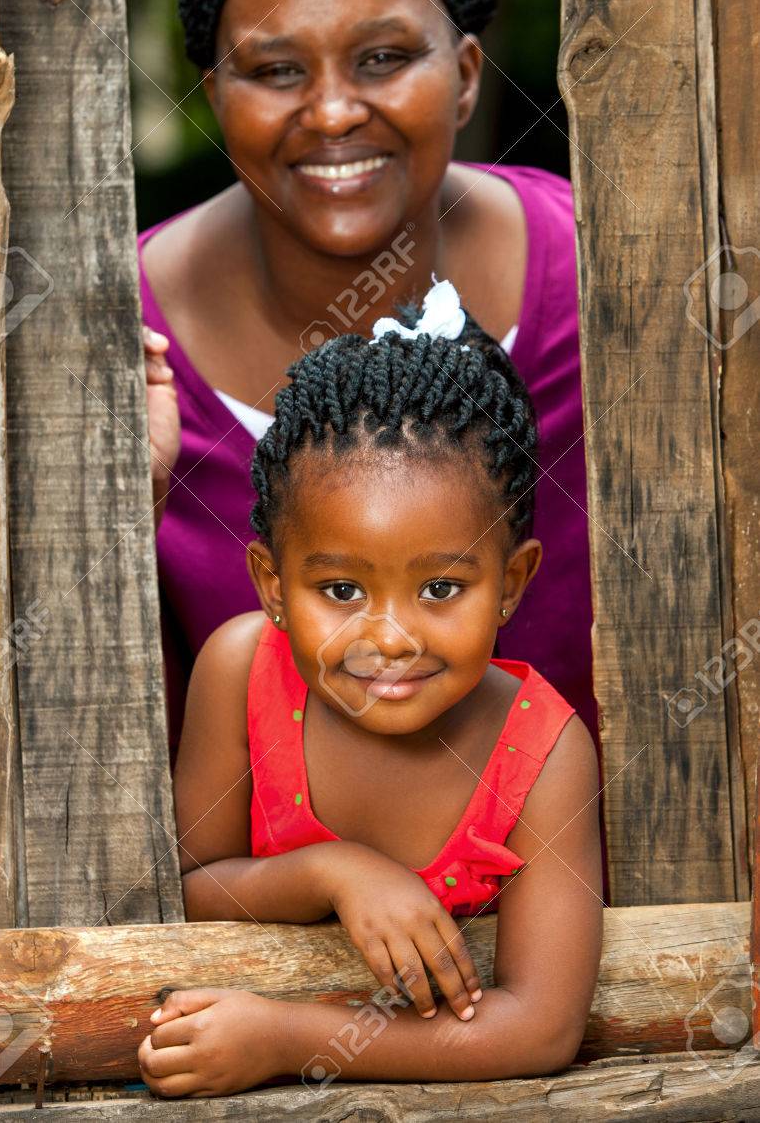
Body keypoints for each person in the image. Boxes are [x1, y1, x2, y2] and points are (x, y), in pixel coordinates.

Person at [140, 0, 596, 774]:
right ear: (215, 97)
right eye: (275, 71)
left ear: (466, 76)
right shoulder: (116, 343)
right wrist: (119, 510)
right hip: (268, 898)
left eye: (384, 58)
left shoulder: (606, 284)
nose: (336, 112)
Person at [137, 283, 603, 1098]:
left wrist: (287, 1039)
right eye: (343, 591)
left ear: (513, 582)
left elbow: (541, 1025)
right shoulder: (243, 670)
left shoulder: (545, 754)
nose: (389, 638)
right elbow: (183, 888)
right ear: (272, 584)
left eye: (441, 589)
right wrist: (336, 873)